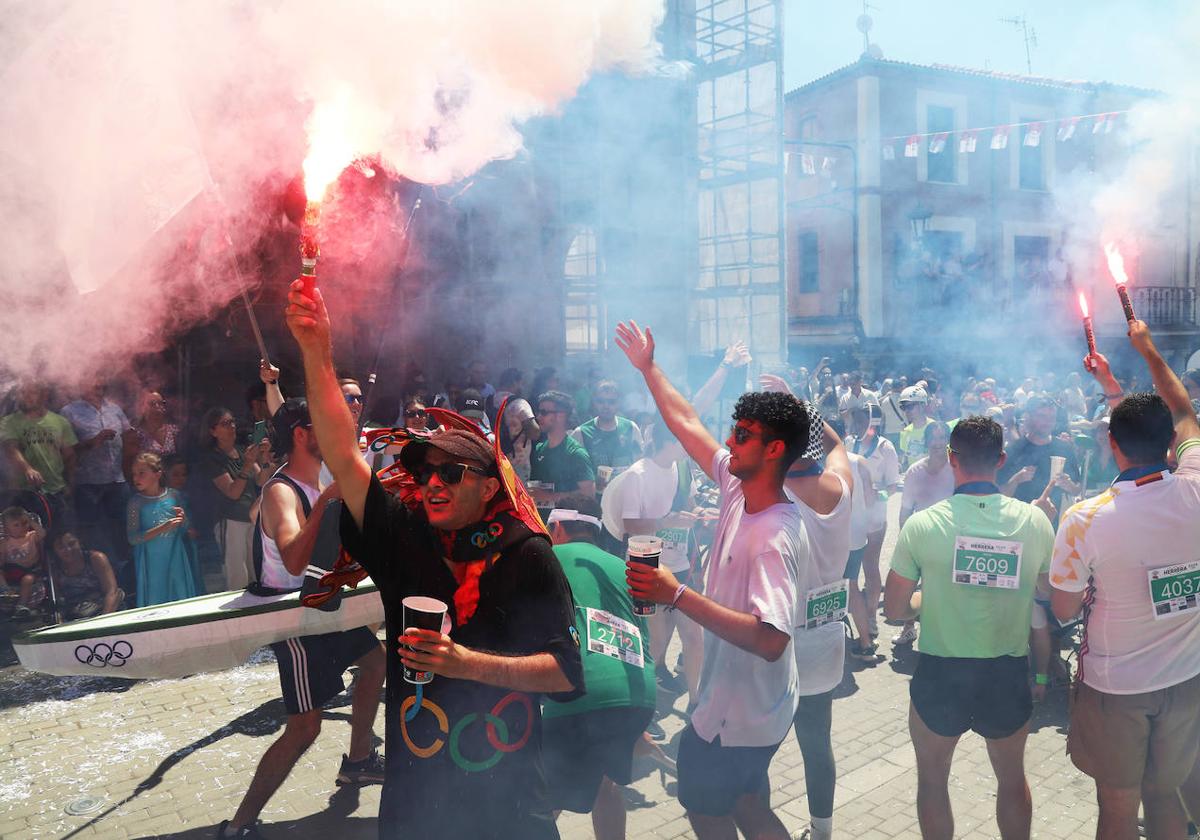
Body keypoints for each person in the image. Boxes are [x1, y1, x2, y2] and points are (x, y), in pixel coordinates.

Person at [285, 277, 584, 839]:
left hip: (509, 806)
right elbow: (345, 460)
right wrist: (316, 351)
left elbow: (566, 673)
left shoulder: (526, 554)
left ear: (490, 488)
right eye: (424, 474)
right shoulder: (408, 538)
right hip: (417, 805)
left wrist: (462, 663)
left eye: (451, 473)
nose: (432, 485)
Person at [616, 320, 806, 840]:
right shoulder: (736, 482)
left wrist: (675, 593)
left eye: (741, 435)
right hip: (748, 703)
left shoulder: (772, 536)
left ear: (773, 450)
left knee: (703, 805)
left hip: (739, 716)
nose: (728, 440)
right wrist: (650, 368)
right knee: (747, 802)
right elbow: (687, 423)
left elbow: (771, 639)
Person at [1050, 324, 1200, 840]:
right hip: (1186, 681)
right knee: (1168, 799)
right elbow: (1181, 411)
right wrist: (1146, 351)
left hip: (1117, 689)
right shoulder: (1195, 485)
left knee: (1117, 809)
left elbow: (1065, 609)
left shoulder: (1086, 519)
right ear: (1171, 446)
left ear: (1111, 444)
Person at [219, 398, 386, 839]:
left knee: (375, 663)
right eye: (325, 426)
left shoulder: (322, 479)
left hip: (326, 605)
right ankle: (238, 825)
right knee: (304, 729)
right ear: (300, 434)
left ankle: (358, 761)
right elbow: (294, 561)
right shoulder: (280, 491)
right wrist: (328, 503)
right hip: (293, 618)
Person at [883, 416, 1053, 840]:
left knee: (933, 781)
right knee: (1013, 779)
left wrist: (929, 597)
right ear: (1000, 459)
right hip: (1007, 668)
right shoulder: (1034, 522)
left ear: (953, 459)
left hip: (941, 671)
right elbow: (1050, 594)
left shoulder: (923, 525)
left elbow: (895, 609)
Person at [761, 372, 854, 840]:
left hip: (773, 639)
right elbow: (836, 444)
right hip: (824, 635)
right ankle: (822, 832)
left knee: (757, 746)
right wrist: (803, 407)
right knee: (817, 742)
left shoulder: (765, 497)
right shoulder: (840, 490)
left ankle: (757, 824)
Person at [543, 495, 657, 840]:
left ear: (557, 528)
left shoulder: (545, 558)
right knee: (603, 782)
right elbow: (642, 637)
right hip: (637, 696)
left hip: (578, 699)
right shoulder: (623, 567)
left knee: (541, 798)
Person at [600, 420, 703, 703]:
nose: (690, 446)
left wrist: (701, 512)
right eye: (683, 439)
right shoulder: (638, 474)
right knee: (656, 641)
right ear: (667, 442)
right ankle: (641, 706)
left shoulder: (682, 467)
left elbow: (691, 503)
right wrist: (666, 522)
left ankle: (696, 704)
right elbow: (629, 524)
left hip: (681, 563)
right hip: (648, 565)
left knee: (694, 636)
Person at [193, 407, 272, 590]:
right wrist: (247, 464)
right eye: (225, 423)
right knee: (237, 575)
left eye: (232, 422)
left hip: (251, 518)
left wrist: (265, 457)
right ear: (213, 431)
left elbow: (261, 480)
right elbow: (232, 492)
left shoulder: (242, 450)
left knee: (256, 570)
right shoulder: (212, 459)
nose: (232, 426)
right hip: (230, 521)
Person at [846, 407, 901, 638]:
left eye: (862, 421)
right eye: (855, 421)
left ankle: (870, 616)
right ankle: (850, 614)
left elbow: (893, 485)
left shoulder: (885, 447)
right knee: (849, 571)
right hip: (851, 515)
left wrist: (879, 495)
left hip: (875, 515)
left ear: (873, 422)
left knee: (870, 566)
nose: (857, 426)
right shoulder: (848, 443)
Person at [0, 381, 77, 533]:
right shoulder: (9, 422)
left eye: (31, 392)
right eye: (23, 393)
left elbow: (70, 456)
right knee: (31, 539)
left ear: (44, 395)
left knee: (62, 536)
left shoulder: (59, 422)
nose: (26, 397)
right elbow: (11, 449)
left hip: (56, 491)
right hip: (25, 493)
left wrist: (70, 484)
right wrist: (27, 469)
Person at [127, 452, 199, 606]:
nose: (135, 478)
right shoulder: (136, 503)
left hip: (175, 554)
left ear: (157, 474)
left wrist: (184, 519)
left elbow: (186, 530)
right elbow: (133, 538)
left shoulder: (174, 495)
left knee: (179, 595)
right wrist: (162, 528)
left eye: (141, 473)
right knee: (157, 596)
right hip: (151, 559)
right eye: (134, 474)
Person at [998, 395, 1080, 510]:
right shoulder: (1013, 450)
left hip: (1051, 522)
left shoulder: (1064, 448)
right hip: (1018, 522)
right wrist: (1016, 480)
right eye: (1042, 416)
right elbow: (999, 495)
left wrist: (1069, 485)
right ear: (1029, 417)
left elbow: (1077, 489)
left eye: (1052, 417)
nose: (1048, 422)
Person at [531, 390, 596, 505]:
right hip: (541, 521)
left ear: (561, 415)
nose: (538, 416)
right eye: (538, 412)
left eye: (544, 412)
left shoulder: (576, 454)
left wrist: (549, 497)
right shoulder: (539, 449)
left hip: (565, 522)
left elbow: (588, 494)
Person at [572, 380, 644, 483]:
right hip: (596, 497)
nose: (606, 406)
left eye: (611, 402)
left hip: (625, 495)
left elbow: (640, 462)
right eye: (600, 401)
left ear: (619, 403)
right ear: (593, 403)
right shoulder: (581, 433)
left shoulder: (630, 427)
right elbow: (574, 470)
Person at [50, 530, 123, 618]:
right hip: (75, 617)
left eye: (71, 544)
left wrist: (103, 621)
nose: (68, 549)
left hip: (104, 612)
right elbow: (59, 602)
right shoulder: (55, 570)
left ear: (79, 542)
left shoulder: (96, 559)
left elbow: (112, 592)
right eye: (61, 547)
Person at [1, 505, 46, 618]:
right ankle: (6, 591)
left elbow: (43, 534)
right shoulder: (5, 541)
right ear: (6, 528)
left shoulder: (31, 536)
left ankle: (21, 605)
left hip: (29, 570)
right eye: (16, 525)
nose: (22, 527)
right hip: (10, 570)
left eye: (24, 523)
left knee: (27, 580)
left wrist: (32, 522)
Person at [897, 385, 934, 469]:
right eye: (903, 407)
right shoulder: (905, 431)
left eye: (910, 406)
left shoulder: (935, 429)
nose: (906, 411)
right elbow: (906, 460)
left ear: (922, 405)